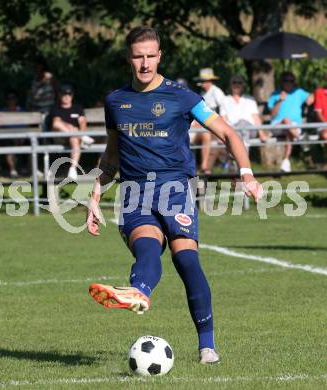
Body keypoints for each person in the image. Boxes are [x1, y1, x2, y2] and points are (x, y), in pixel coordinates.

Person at [86, 26, 263, 364]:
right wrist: (94, 197)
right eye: (138, 56)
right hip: (135, 193)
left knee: (186, 260)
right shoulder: (116, 101)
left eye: (151, 55)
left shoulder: (182, 97)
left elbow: (227, 133)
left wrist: (247, 175)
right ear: (128, 58)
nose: (145, 63)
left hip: (176, 190)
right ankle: (139, 292)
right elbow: (110, 156)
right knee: (148, 247)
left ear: (160, 56)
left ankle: (207, 346)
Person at [268, 71, 314, 172]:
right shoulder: (275, 95)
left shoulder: (298, 92)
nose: (289, 83)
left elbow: (311, 96)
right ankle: (301, 139)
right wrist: (280, 101)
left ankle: (286, 162)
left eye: (291, 81)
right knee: (286, 120)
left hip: (293, 127)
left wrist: (310, 99)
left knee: (289, 131)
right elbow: (272, 115)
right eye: (286, 81)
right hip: (277, 126)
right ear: (282, 82)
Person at [49, 84, 93, 179]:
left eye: (69, 94)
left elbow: (82, 122)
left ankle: (72, 169)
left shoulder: (78, 108)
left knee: (74, 137)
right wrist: (71, 128)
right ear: (59, 95)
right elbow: (55, 124)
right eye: (64, 94)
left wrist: (78, 132)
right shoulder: (55, 108)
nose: (66, 96)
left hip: (74, 138)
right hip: (59, 136)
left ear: (72, 95)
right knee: (58, 123)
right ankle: (81, 136)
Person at [192, 68, 225, 174]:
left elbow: (224, 109)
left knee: (209, 140)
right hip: (202, 125)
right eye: (201, 81)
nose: (202, 83)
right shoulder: (203, 93)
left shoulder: (217, 92)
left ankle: (205, 168)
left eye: (204, 81)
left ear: (210, 81)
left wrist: (222, 129)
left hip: (213, 125)